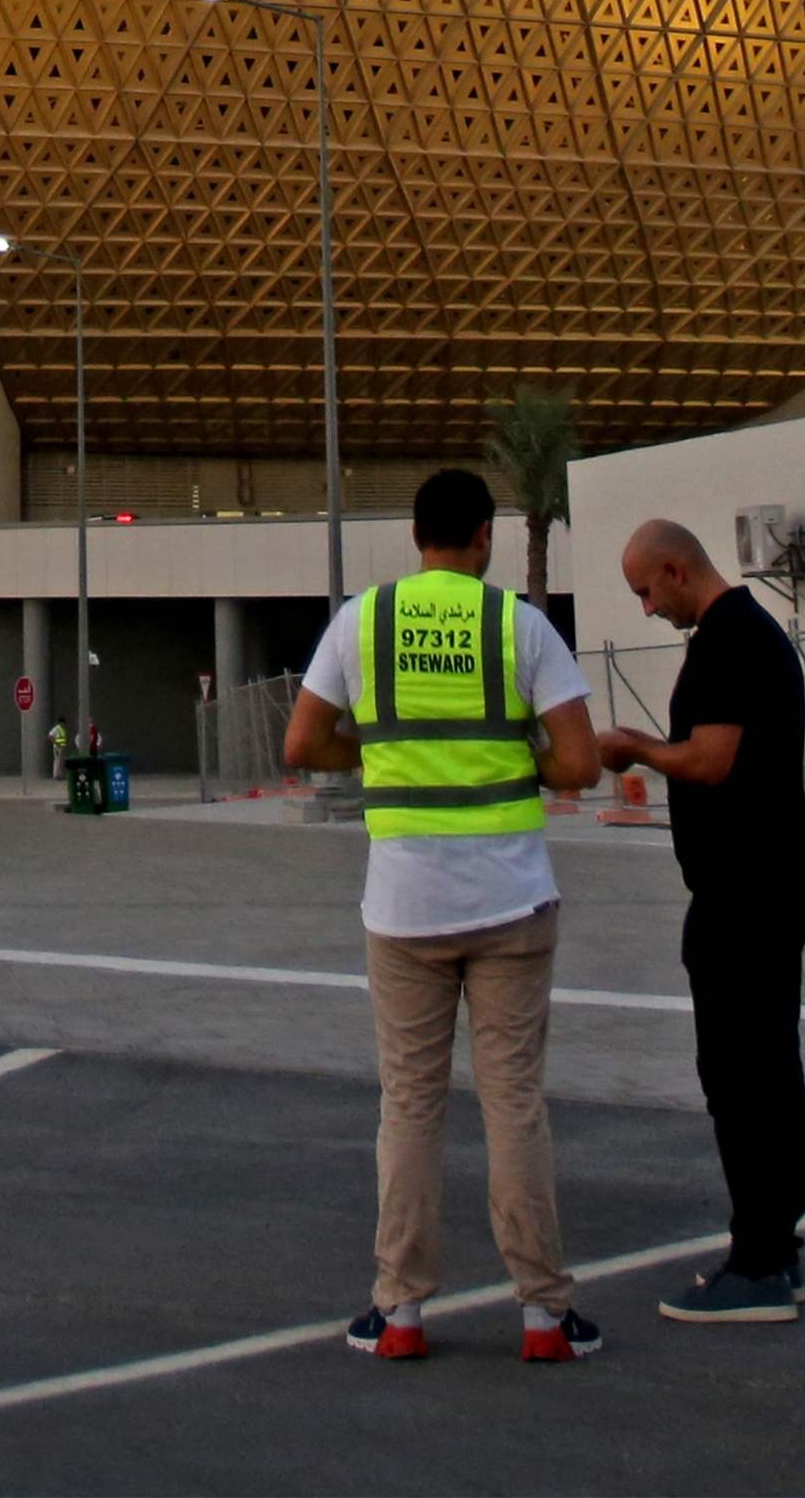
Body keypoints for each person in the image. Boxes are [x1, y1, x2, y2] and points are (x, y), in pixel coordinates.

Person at [280, 468, 609, 1366]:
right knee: (514, 1104)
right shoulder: (518, 624)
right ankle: (544, 1313)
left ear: (416, 535)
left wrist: (380, 754)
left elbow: (302, 743)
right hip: (510, 898)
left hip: (404, 906)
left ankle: (400, 1311)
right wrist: (519, 757)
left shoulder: (363, 621)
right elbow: (578, 764)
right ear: (485, 538)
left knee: (412, 1106)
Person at [597, 517, 805, 1324]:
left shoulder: (732, 638)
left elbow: (711, 758)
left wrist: (635, 746)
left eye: (644, 591)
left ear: (673, 569)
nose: (647, 609)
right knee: (766, 1065)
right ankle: (776, 1246)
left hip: (748, 892)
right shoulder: (743, 632)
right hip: (761, 884)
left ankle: (759, 1260)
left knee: (742, 1075)